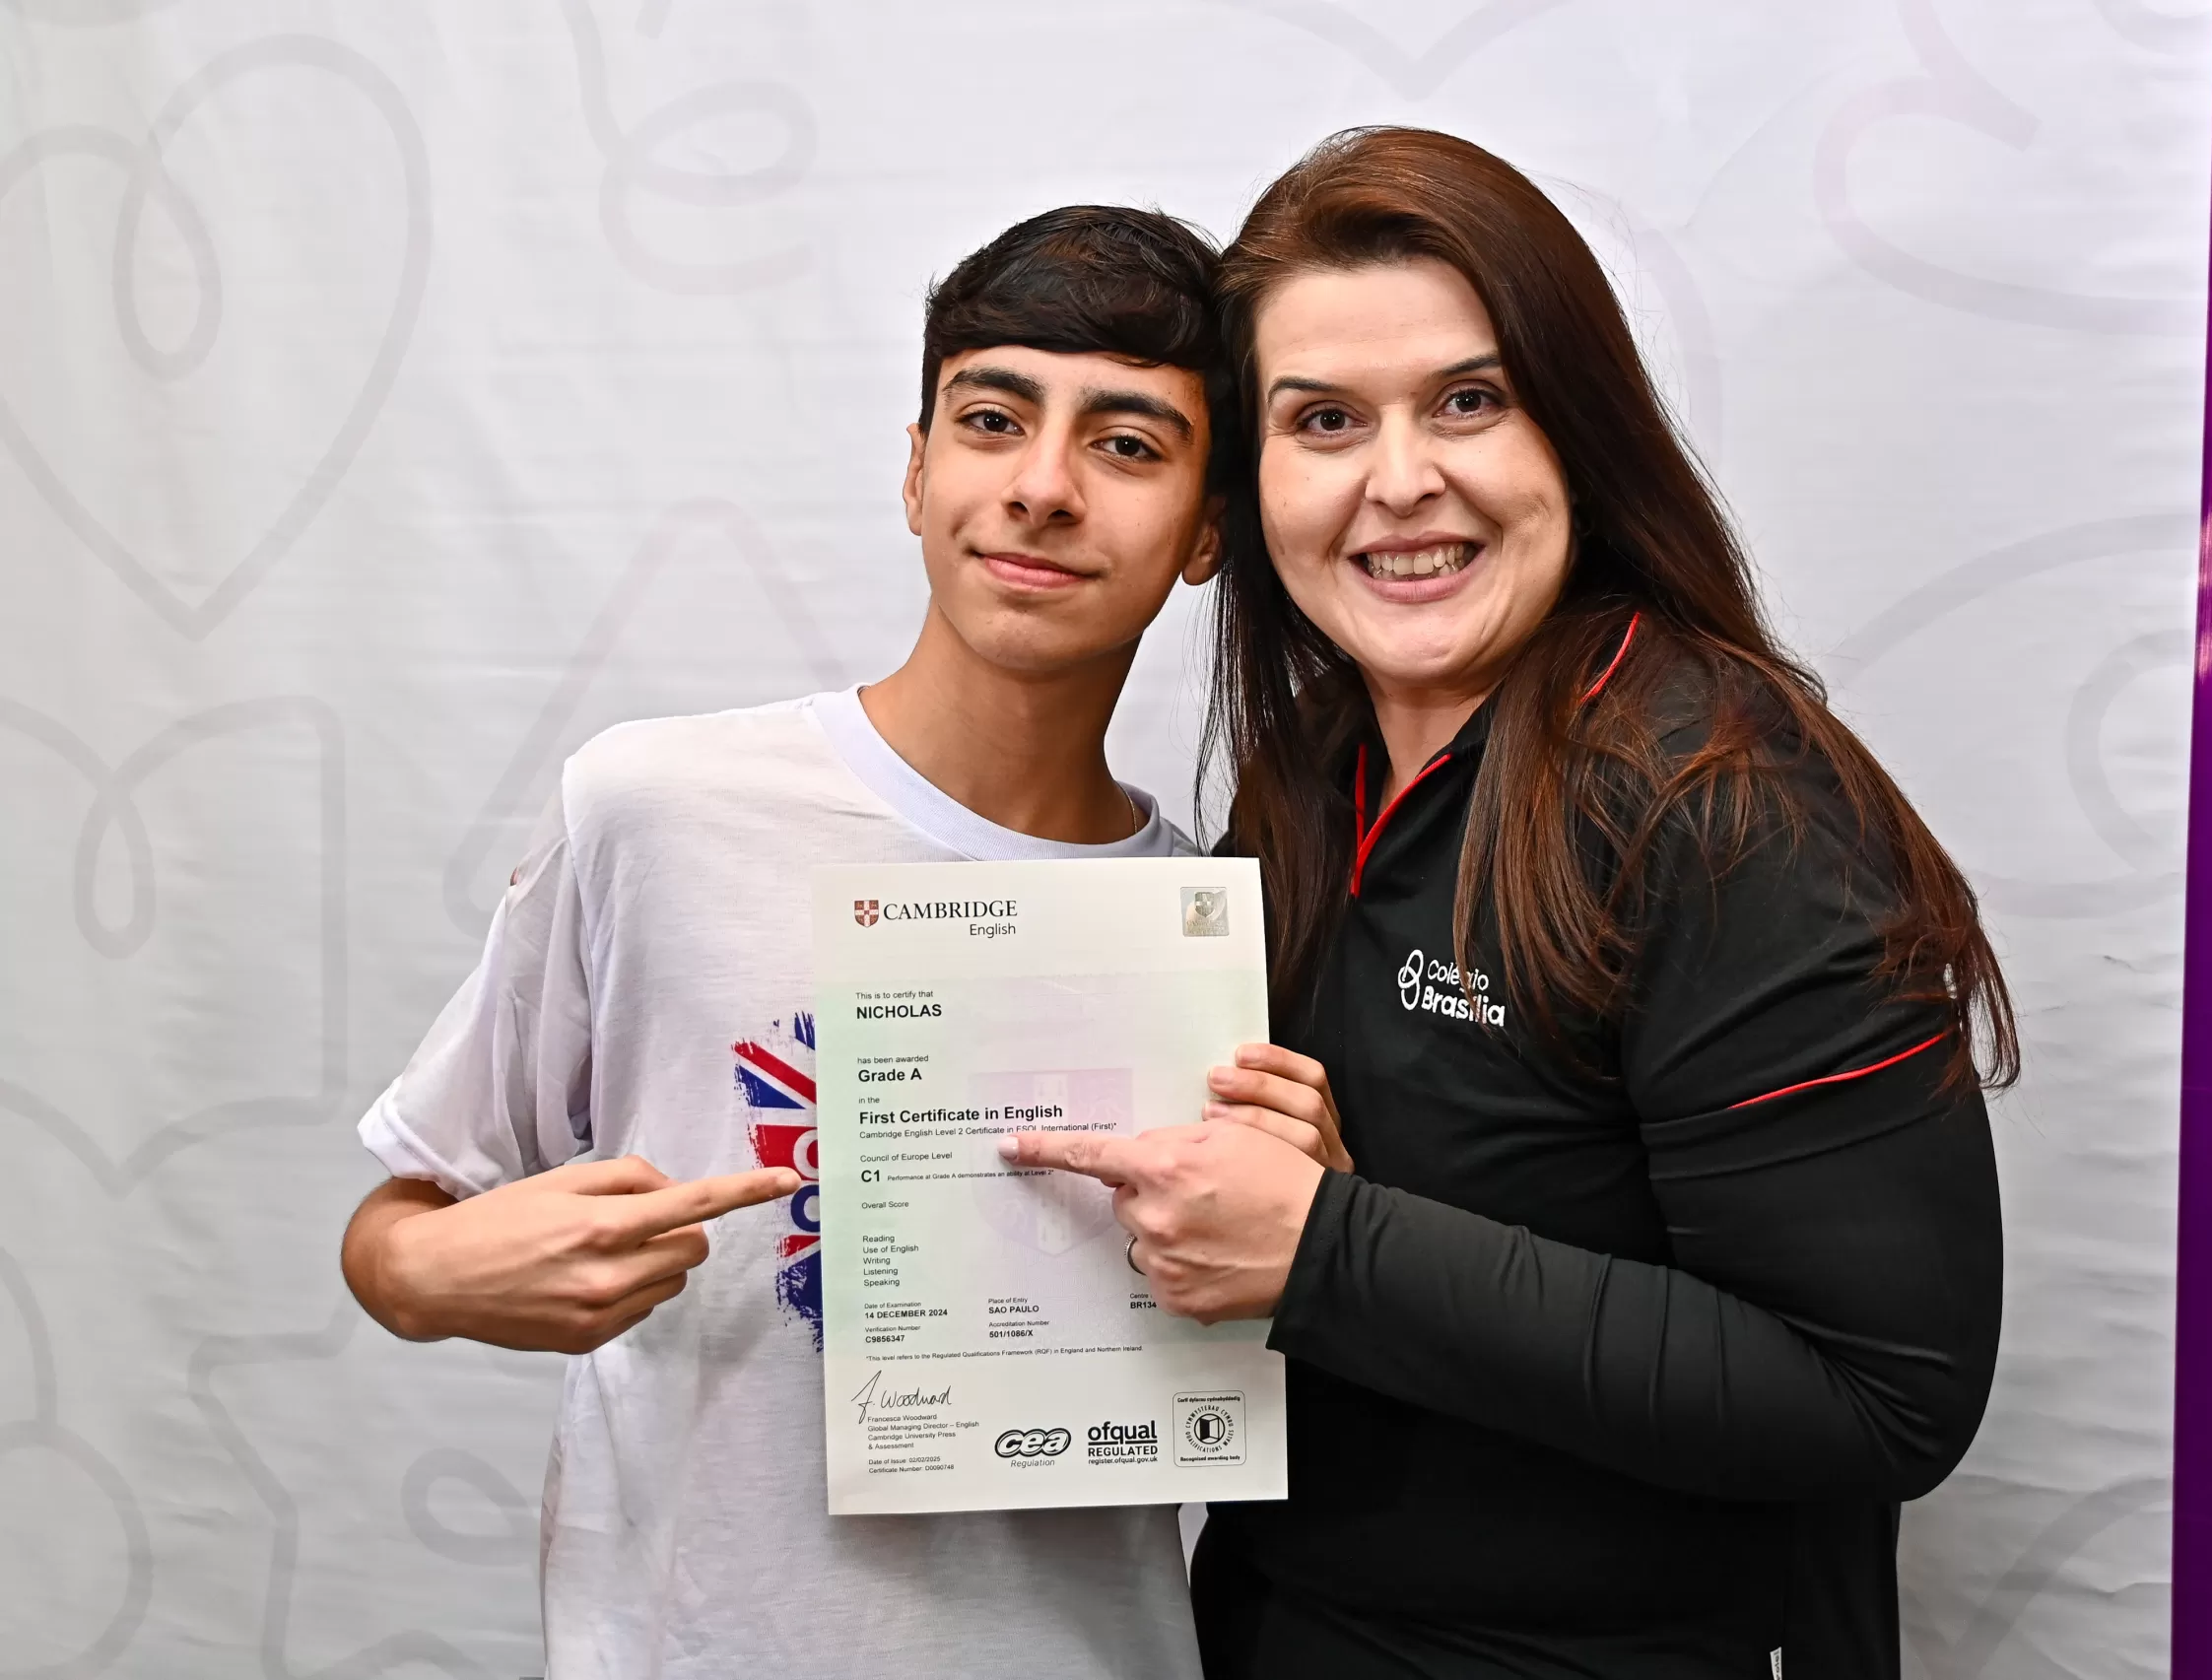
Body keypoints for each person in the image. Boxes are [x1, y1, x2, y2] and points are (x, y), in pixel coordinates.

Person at [1004, 128, 2013, 1679]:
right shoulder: (1311, 767)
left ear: (1577, 432)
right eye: (1325, 420)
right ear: (1250, 486)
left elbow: (1879, 1398)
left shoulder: (1721, 800)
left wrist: (1331, 1246)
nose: (1402, 480)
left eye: (1469, 401)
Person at [340, 205, 1234, 1679]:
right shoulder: (655, 808)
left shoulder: (1209, 923)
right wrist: (426, 1278)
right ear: (916, 469)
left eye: (1128, 444)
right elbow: (401, 1219)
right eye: (992, 421)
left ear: (1208, 532)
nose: (1042, 488)